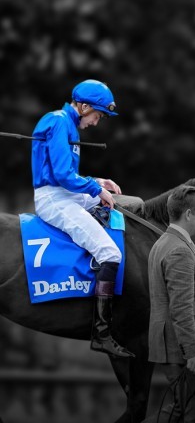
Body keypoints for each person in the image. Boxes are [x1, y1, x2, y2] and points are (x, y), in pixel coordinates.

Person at [30, 79, 131, 358]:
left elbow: (66, 175)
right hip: (54, 199)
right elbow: (62, 176)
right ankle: (101, 333)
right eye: (97, 115)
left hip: (64, 193)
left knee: (116, 202)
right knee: (110, 253)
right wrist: (95, 189)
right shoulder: (60, 121)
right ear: (84, 107)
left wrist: (99, 182)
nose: (97, 122)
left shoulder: (66, 123)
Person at [146, 185, 195, 423]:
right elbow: (180, 308)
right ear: (188, 214)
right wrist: (192, 352)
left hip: (174, 347)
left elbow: (183, 282)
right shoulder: (179, 250)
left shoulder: (166, 242)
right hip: (184, 350)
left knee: (183, 409)